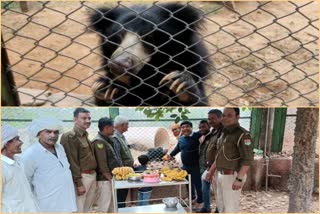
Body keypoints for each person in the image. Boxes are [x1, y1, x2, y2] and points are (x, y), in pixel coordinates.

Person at [20, 118, 77, 212]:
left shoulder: (60, 148)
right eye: (48, 132)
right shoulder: (30, 154)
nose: (53, 135)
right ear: (38, 134)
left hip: (67, 202)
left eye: (56, 132)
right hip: (47, 206)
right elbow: (25, 181)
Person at [206, 108, 254, 212]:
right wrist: (211, 171)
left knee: (230, 208)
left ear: (237, 117)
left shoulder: (243, 135)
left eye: (230, 115)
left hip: (232, 176)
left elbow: (248, 159)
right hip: (220, 174)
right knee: (220, 205)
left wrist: (239, 178)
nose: (225, 118)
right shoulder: (224, 133)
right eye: (224, 115)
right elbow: (219, 155)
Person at [60, 108, 97, 212]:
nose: (88, 121)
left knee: (88, 207)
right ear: (75, 119)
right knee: (79, 208)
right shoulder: (70, 137)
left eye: (89, 118)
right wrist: (79, 183)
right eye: (84, 118)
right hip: (82, 177)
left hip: (91, 175)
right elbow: (72, 161)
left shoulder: (85, 135)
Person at [1, 125, 40, 213]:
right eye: (17, 139)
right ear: (6, 144)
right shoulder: (2, 168)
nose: (21, 142)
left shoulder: (18, 161)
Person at [92, 117, 123, 213]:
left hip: (108, 178)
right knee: (104, 207)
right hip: (104, 180)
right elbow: (102, 164)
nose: (114, 129)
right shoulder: (99, 142)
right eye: (112, 127)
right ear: (106, 128)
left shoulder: (106, 140)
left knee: (111, 206)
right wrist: (110, 179)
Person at [169, 121, 203, 204]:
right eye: (183, 127)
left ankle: (200, 200)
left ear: (191, 128)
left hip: (196, 165)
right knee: (188, 183)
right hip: (185, 166)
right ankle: (191, 198)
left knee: (197, 183)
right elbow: (177, 148)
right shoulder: (181, 138)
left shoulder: (197, 136)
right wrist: (170, 155)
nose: (185, 129)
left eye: (187, 126)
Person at [198, 109, 223, 213]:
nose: (210, 121)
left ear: (220, 118)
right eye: (209, 119)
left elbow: (221, 153)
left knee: (218, 190)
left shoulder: (224, 131)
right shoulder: (213, 131)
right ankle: (206, 207)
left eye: (213, 118)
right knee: (205, 186)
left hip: (218, 167)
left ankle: (218, 209)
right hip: (209, 166)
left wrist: (212, 170)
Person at [113, 115, 134, 208]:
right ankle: (120, 210)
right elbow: (117, 156)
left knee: (124, 193)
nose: (128, 126)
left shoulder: (121, 136)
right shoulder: (115, 138)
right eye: (127, 124)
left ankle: (122, 209)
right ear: (122, 125)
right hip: (123, 172)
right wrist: (123, 172)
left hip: (126, 169)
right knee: (121, 194)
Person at [197, 120, 211, 213]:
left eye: (204, 127)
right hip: (203, 167)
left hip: (210, 168)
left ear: (209, 126)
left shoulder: (213, 137)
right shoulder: (202, 137)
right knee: (205, 189)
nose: (201, 129)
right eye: (200, 127)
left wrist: (210, 168)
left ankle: (216, 209)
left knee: (207, 189)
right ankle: (206, 207)